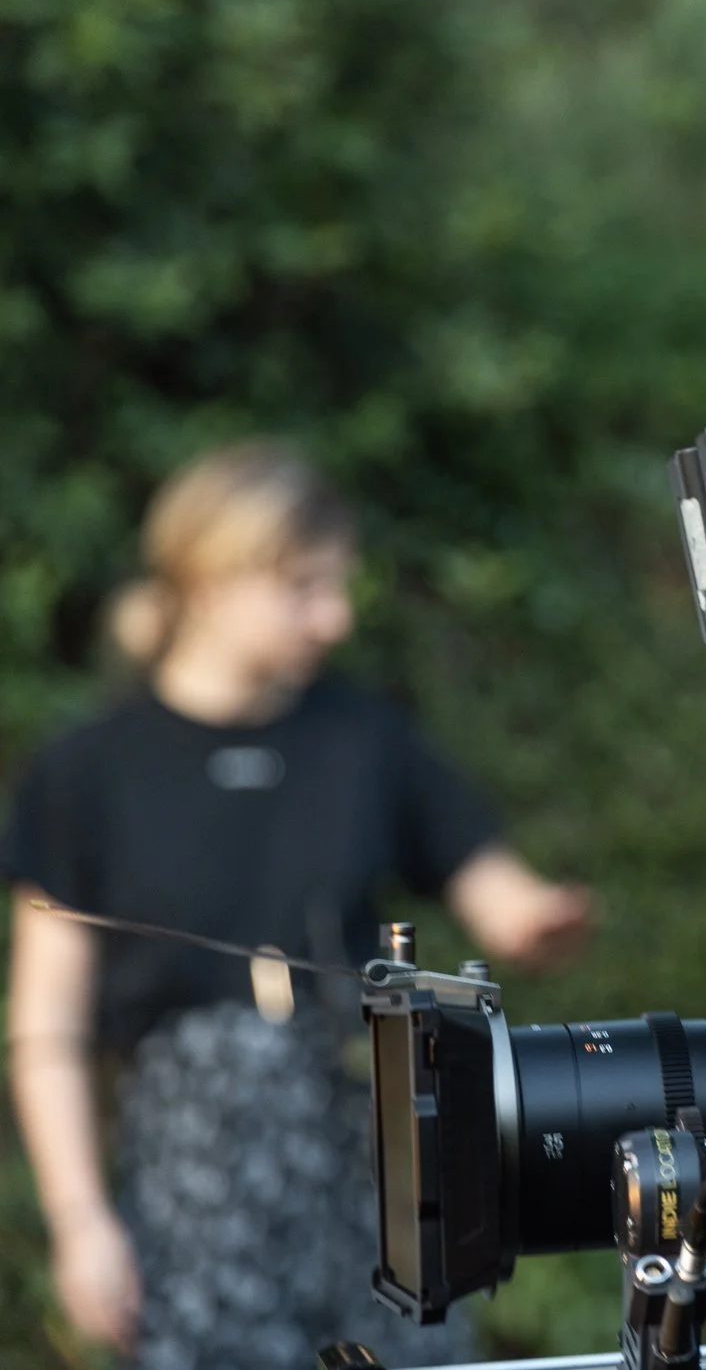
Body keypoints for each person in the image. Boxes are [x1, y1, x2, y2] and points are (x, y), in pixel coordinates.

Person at [5, 441, 598, 1368]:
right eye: (305, 586)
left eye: (339, 585)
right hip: (191, 1187)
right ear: (211, 579)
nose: (334, 616)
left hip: (378, 1157)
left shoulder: (364, 734)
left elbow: (492, 883)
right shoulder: (89, 771)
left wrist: (533, 916)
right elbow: (47, 1022)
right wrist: (81, 1221)